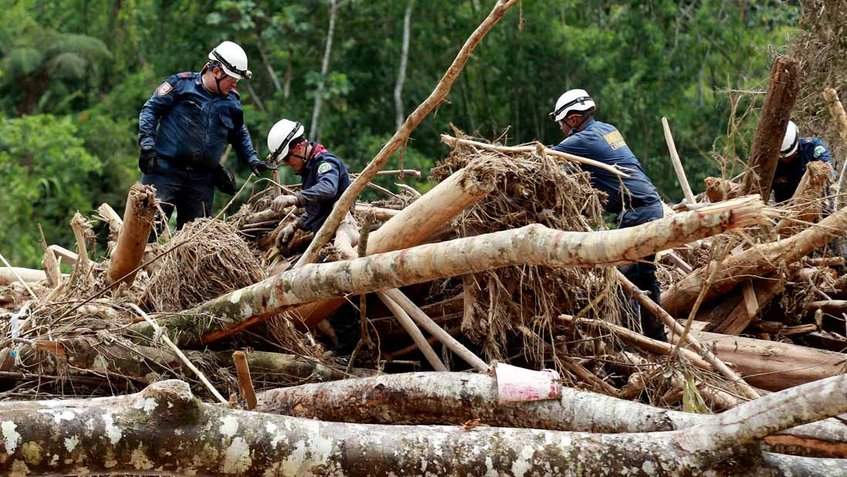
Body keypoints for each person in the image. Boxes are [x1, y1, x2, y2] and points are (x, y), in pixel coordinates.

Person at [549, 88, 667, 342]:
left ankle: (630, 345)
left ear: (572, 118)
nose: (561, 128)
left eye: (561, 122)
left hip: (637, 213)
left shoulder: (582, 140)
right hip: (650, 207)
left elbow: (546, 159)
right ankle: (657, 339)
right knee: (643, 276)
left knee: (624, 281)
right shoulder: (607, 129)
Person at [137, 40, 276, 231]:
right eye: (232, 80)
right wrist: (147, 145)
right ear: (217, 71)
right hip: (165, 171)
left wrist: (251, 159)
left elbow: (239, 133)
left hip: (201, 181)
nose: (235, 84)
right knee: (146, 230)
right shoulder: (180, 85)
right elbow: (150, 111)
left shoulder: (232, 102)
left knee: (196, 239)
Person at [267, 119, 351, 246]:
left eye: (286, 159)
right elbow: (321, 210)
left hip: (339, 236)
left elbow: (328, 188)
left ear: (299, 148)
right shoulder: (309, 169)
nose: (287, 164)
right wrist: (295, 225)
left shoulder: (325, 163)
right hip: (323, 236)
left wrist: (295, 198)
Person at [772, 120, 834, 203]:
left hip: (817, 205)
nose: (787, 159)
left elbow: (829, 169)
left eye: (791, 155)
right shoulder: (770, 161)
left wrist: (818, 171)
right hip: (784, 211)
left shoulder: (812, 147)